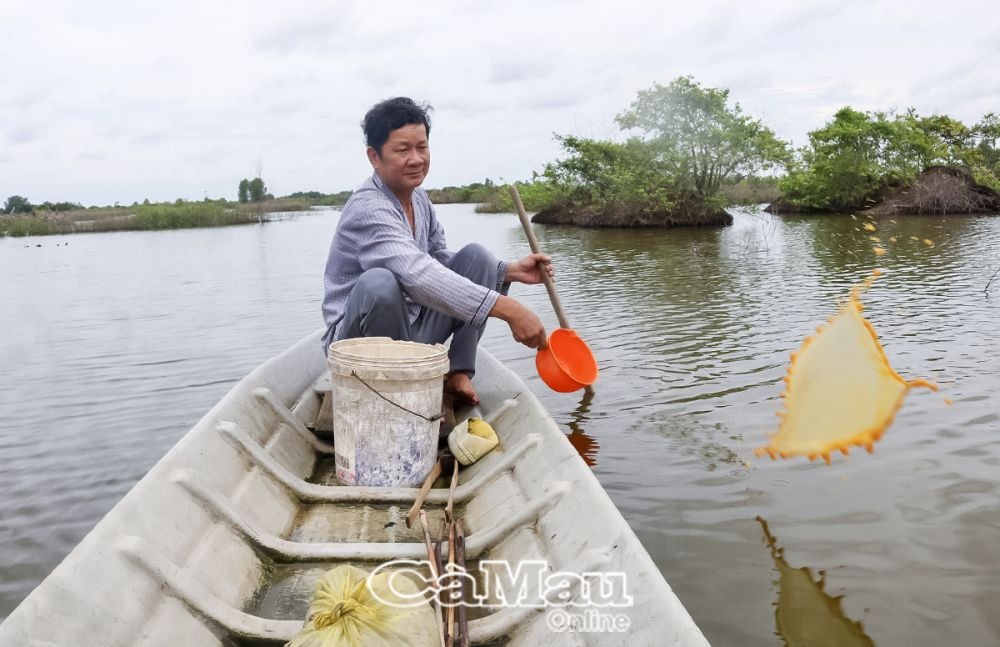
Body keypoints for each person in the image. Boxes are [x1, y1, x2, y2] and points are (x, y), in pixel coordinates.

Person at [322, 97, 552, 405]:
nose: (416, 158)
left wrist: (508, 271)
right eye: (403, 150)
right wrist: (508, 309)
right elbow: (416, 274)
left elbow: (438, 259)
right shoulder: (368, 207)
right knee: (379, 284)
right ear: (375, 157)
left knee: (478, 258)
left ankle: (458, 372)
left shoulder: (419, 198)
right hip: (358, 347)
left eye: (422, 147)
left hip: (408, 331)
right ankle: (401, 399)